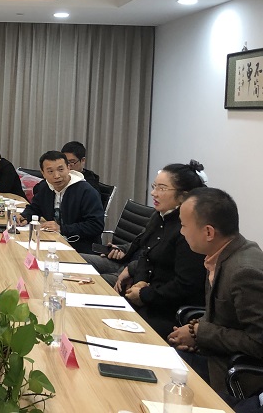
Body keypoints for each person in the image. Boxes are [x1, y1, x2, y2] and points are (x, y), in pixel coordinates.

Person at [167, 187, 263, 408]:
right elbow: (226, 318)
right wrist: (195, 333)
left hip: (232, 375)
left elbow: (259, 342)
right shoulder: (220, 255)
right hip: (214, 355)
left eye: (184, 226)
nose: (181, 232)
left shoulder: (244, 272)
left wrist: (200, 333)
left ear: (208, 232)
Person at [105, 161, 208, 338]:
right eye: (154, 187)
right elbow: (145, 254)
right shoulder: (159, 217)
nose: (154, 193)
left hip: (168, 311)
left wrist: (144, 294)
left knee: (112, 329)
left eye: (162, 188)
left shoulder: (188, 230)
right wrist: (140, 281)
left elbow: (185, 286)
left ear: (183, 196)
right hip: (148, 297)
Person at [19, 150, 104, 254]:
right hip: (53, 241)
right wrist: (25, 216)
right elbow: (35, 208)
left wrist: (62, 229)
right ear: (43, 173)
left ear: (68, 168)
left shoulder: (86, 191)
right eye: (50, 171)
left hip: (80, 247)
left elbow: (96, 225)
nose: (56, 176)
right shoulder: (45, 187)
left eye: (61, 169)